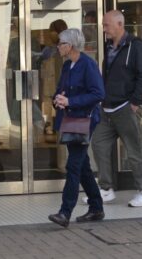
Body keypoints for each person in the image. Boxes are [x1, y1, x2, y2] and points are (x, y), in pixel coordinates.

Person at [88, 10, 142, 208]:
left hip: (126, 107)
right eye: (103, 25)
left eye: (106, 25)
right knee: (98, 144)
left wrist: (135, 101)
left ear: (119, 24)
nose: (104, 29)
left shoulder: (136, 46)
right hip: (107, 108)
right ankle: (106, 188)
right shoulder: (109, 47)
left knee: (134, 150)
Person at [47, 28, 105, 228]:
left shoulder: (88, 65)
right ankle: (97, 207)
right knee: (83, 167)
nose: (58, 46)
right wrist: (58, 100)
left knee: (73, 165)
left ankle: (65, 212)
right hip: (71, 119)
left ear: (69, 46)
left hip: (84, 120)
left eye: (61, 43)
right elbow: (60, 90)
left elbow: (98, 94)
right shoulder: (66, 66)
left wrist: (71, 101)